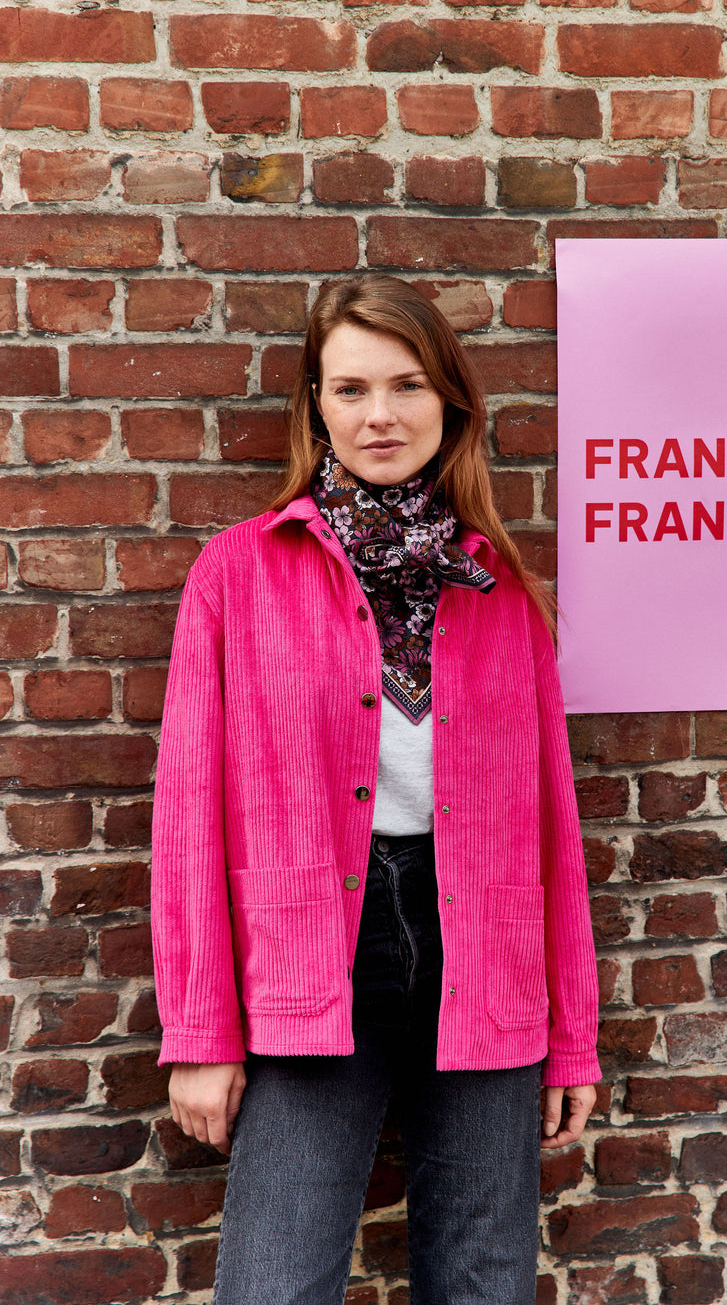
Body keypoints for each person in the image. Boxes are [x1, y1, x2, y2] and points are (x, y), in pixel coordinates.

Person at [151, 274, 601, 1304]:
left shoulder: (502, 590)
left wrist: (572, 1036)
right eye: (351, 389)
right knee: (274, 1281)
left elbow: (551, 827)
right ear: (317, 406)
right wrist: (201, 1033)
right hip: (310, 955)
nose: (380, 416)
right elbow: (187, 814)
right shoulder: (239, 574)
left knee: (484, 1281)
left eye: (406, 386)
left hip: (484, 953)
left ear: (450, 401)